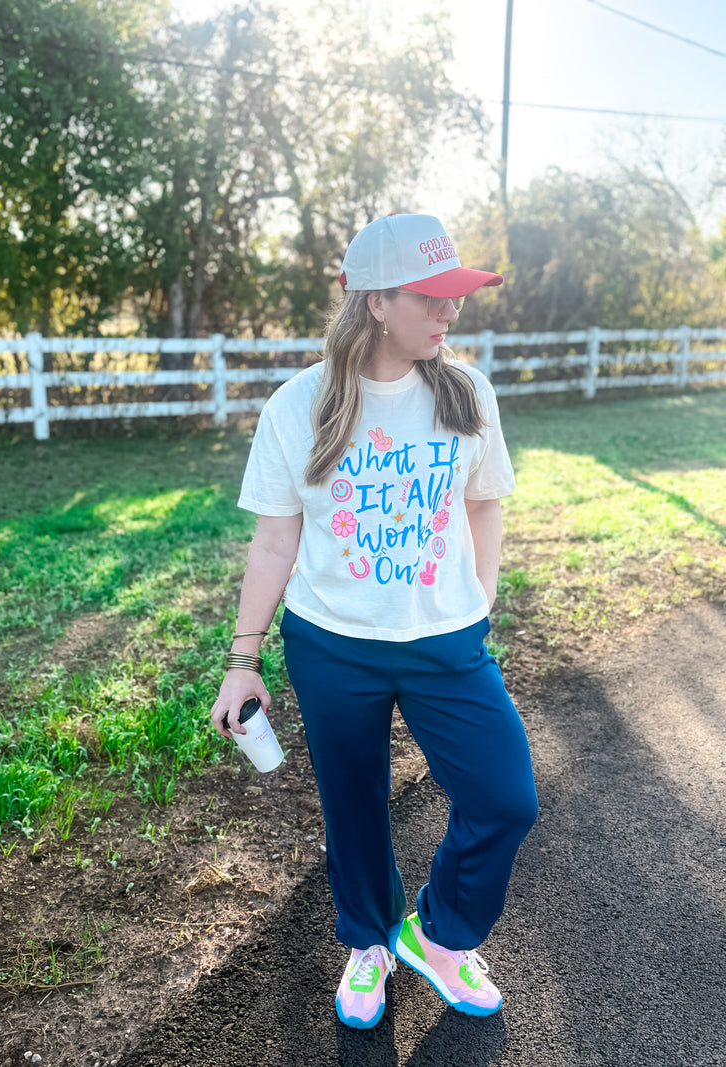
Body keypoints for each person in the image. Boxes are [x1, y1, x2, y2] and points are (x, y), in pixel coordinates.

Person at [210, 213, 539, 1029]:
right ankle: (367, 942)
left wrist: (479, 604)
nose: (450, 311)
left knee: (506, 798)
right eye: (432, 297)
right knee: (352, 805)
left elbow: (484, 505)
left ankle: (438, 933)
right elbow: (275, 539)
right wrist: (241, 660)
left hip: (446, 643)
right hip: (332, 646)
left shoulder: (466, 392)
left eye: (454, 295)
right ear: (375, 302)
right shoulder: (300, 405)